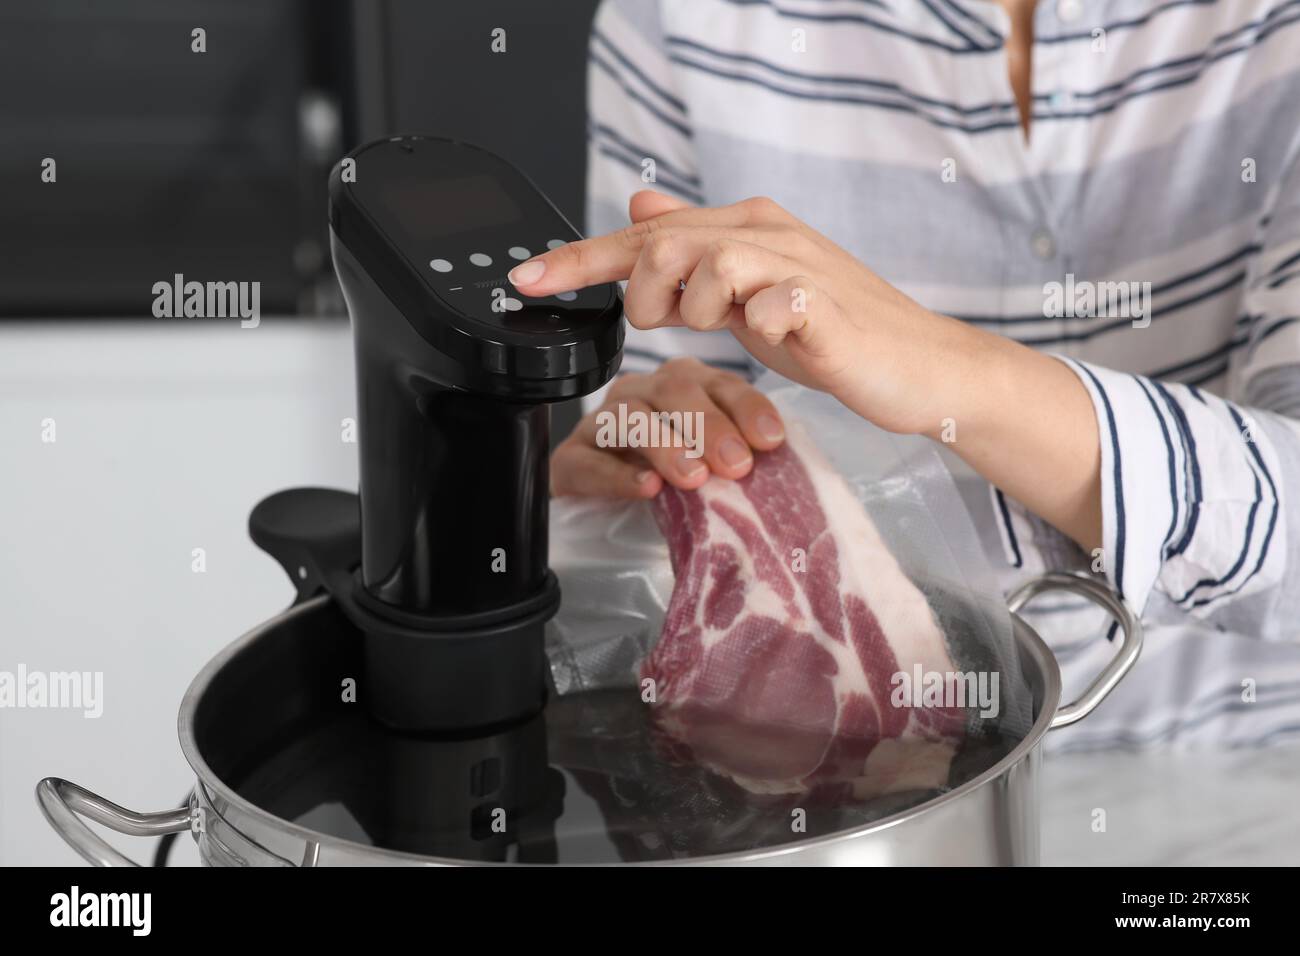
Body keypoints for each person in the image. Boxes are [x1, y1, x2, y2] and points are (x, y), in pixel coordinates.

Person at [510, 0, 1300, 749]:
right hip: (873, 779)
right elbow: (667, 465)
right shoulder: (682, 22)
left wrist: (947, 371)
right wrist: (650, 447)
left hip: (1251, 766)